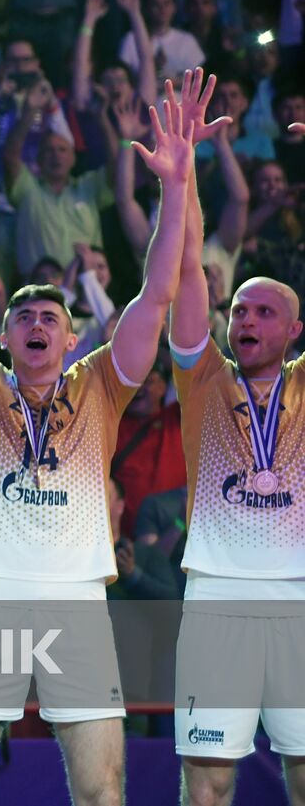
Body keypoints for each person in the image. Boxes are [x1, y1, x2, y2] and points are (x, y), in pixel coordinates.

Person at [0, 72, 198, 806]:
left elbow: (157, 294)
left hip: (77, 601)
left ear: (72, 337)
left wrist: (176, 185)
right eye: (23, 315)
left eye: (50, 316)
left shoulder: (101, 381)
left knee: (102, 789)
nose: (36, 323)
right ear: (3, 335)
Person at [170, 77, 305, 804]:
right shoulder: (203, 379)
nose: (244, 319)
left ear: (293, 330)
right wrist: (183, 169)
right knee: (208, 782)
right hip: (216, 597)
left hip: (300, 597)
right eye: (239, 309)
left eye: (262, 310)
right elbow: (188, 268)